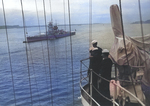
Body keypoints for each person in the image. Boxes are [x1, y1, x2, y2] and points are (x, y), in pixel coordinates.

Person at [88, 40, 102, 104]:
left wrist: (90, 52)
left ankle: (93, 92)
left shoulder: (93, 52)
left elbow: (91, 59)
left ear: (93, 45)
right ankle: (97, 89)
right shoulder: (100, 49)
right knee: (97, 79)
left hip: (93, 68)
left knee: (92, 80)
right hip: (99, 67)